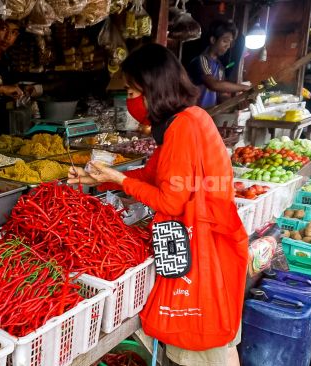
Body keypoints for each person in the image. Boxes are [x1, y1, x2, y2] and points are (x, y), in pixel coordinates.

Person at [68, 43, 247, 366]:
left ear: (152, 88)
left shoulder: (183, 128)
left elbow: (170, 201)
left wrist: (120, 181)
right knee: (212, 339)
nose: (129, 100)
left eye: (131, 90)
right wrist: (100, 179)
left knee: (206, 343)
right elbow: (152, 175)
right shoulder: (187, 120)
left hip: (204, 248)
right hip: (210, 240)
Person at [187, 19, 251, 108]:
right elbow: (214, 85)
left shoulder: (220, 68)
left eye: (230, 42)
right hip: (194, 115)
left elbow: (222, 96)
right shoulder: (201, 60)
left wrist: (236, 104)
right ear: (213, 40)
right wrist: (244, 87)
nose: (228, 46)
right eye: (225, 41)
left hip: (208, 117)